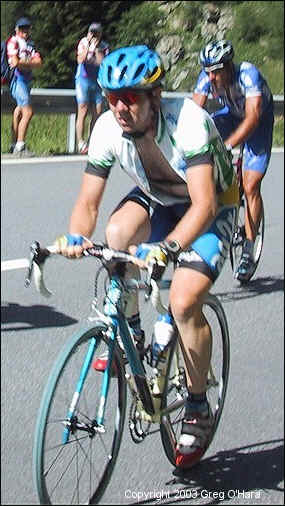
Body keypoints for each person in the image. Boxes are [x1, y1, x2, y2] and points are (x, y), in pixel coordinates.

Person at [55, 45, 239, 469]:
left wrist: (168, 247)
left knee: (184, 300)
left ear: (155, 97)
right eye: (112, 97)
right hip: (160, 197)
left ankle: (197, 405)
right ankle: (132, 337)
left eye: (131, 97)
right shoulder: (106, 128)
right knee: (116, 235)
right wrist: (74, 237)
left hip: (211, 204)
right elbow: (88, 202)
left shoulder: (189, 122)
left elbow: (204, 204)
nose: (120, 107)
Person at [193, 40, 274, 282]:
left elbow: (252, 117)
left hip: (257, 122)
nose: (212, 77)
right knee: (203, 130)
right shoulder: (207, 77)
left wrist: (227, 146)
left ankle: (249, 248)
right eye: (208, 72)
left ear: (229, 67)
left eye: (217, 71)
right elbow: (195, 113)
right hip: (230, 116)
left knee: (250, 186)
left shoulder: (248, 74)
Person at [7, 17, 42, 156]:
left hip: (26, 80)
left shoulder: (30, 44)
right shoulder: (13, 41)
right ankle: (20, 146)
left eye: (27, 28)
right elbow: (15, 62)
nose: (25, 32)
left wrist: (24, 61)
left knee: (19, 111)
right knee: (28, 112)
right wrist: (30, 61)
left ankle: (13, 144)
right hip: (17, 79)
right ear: (16, 30)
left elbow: (39, 62)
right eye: (22, 29)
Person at [75, 22, 109, 154]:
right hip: (83, 79)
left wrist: (96, 48)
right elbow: (80, 59)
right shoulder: (83, 42)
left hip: (97, 81)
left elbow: (101, 62)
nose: (94, 35)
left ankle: (92, 140)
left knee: (98, 112)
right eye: (92, 32)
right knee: (82, 109)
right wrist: (89, 45)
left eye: (96, 33)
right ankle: (80, 142)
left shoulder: (104, 46)